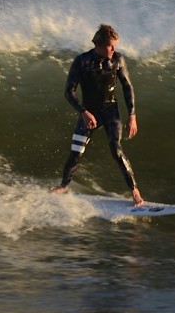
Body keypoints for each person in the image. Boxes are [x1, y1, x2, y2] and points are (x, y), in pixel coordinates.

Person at [51, 24, 144, 206]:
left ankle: (135, 191)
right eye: (110, 46)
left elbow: (127, 87)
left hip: (111, 110)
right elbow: (69, 92)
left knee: (116, 149)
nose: (114, 49)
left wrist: (132, 115)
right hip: (89, 111)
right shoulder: (82, 61)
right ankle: (64, 186)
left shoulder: (118, 60)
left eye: (115, 45)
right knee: (76, 152)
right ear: (99, 45)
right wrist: (83, 112)